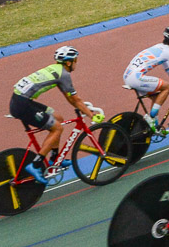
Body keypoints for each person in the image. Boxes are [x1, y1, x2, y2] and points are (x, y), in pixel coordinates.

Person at [9, 46, 103, 184]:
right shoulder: (64, 74)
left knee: (58, 118)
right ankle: (35, 164)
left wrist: (83, 109)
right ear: (69, 62)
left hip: (20, 100)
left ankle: (54, 158)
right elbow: (75, 99)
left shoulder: (55, 69)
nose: (76, 62)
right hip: (23, 105)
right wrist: (91, 115)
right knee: (57, 128)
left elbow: (70, 98)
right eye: (75, 60)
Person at [122, 27, 169, 133]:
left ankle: (155, 127)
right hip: (135, 78)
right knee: (167, 87)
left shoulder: (159, 47)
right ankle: (151, 117)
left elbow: (168, 69)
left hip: (128, 76)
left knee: (156, 96)